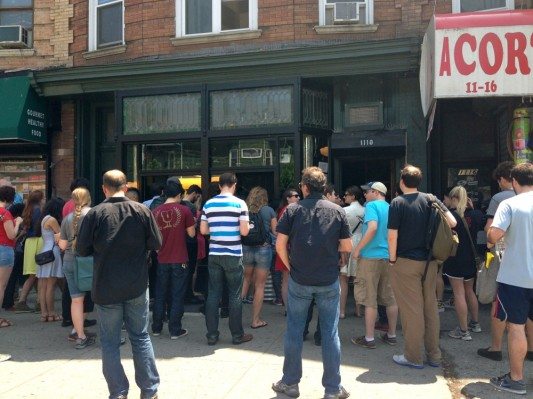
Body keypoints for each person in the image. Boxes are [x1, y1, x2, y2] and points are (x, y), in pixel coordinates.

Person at [77, 170, 162, 399]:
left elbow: (81, 249)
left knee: (110, 342)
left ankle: (118, 392)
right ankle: (149, 389)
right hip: (136, 283)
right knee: (140, 337)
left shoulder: (94, 214)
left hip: (106, 286)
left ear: (104, 189)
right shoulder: (142, 210)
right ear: (125, 188)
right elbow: (156, 243)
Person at [273, 167, 352, 399]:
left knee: (294, 332)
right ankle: (332, 388)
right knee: (330, 334)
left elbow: (279, 245)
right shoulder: (338, 210)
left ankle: (290, 383)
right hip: (328, 279)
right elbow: (347, 247)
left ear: (304, 187)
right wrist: (336, 259)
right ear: (324, 188)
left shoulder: (292, 210)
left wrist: (290, 267)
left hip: (300, 279)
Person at [387, 165, 456, 368]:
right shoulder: (431, 199)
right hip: (430, 262)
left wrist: (392, 260)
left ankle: (413, 356)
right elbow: (452, 222)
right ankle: (434, 355)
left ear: (401, 182)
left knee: (411, 310)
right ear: (419, 182)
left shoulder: (397, 203)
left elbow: (393, 235)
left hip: (406, 261)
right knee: (430, 308)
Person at [487, 162, 533, 395]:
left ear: (514, 181)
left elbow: (494, 234)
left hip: (516, 276)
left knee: (516, 327)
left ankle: (516, 379)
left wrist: (493, 233)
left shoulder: (509, 204)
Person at [200, 172, 253, 346]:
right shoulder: (240, 203)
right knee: (234, 295)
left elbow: (203, 230)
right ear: (234, 184)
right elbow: (244, 232)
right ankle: (237, 335)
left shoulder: (209, 203)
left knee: (213, 294)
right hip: (233, 254)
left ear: (219, 185)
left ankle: (212, 335)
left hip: (215, 252)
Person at [351, 182, 398, 349]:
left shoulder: (371, 206)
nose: (365, 195)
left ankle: (369, 338)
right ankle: (391, 335)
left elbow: (372, 228)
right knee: (390, 298)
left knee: (370, 298)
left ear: (376, 192)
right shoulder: (391, 207)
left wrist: (357, 249)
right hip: (388, 257)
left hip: (370, 257)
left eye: (367, 192)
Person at [478, 161, 516, 361]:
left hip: (503, 255)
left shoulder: (499, 198)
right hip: (526, 259)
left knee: (499, 302)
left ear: (502, 179)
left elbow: (490, 230)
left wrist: (490, 243)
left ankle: (495, 348)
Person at [151, 179, 195, 339]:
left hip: (162, 258)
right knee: (177, 294)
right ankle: (175, 330)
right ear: (180, 194)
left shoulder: (155, 211)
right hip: (180, 258)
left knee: (160, 293)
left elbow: (152, 238)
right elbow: (191, 234)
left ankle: (156, 327)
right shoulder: (184, 210)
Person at [58, 188, 97, 348]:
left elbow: (62, 245)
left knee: (76, 300)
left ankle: (80, 335)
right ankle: (110, 335)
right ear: (89, 198)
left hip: (69, 261)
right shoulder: (94, 215)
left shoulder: (67, 218)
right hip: (90, 262)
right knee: (100, 298)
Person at [442, 186, 480, 341]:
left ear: (453, 198)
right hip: (471, 258)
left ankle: (463, 331)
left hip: (456, 258)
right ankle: (475, 323)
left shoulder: (451, 216)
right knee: (469, 291)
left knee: (459, 294)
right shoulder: (475, 214)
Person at [241, 186, 277, 329]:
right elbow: (275, 231)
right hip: (263, 248)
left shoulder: (244, 210)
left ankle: (236, 317)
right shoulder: (269, 210)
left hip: (247, 248)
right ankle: (255, 320)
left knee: (245, 280)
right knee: (260, 285)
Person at [14, 190, 44, 313]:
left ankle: (38, 301)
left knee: (34, 274)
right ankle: (24, 301)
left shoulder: (28, 209)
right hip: (37, 241)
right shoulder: (38, 210)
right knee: (36, 275)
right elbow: (38, 228)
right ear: (40, 199)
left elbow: (26, 228)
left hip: (30, 243)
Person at [35, 198, 64, 322]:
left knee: (42, 285)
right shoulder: (52, 220)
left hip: (44, 252)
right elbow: (60, 236)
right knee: (51, 285)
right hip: (53, 252)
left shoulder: (44, 219)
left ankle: (44, 314)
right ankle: (52, 313)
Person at [0, 186, 23, 328]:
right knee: (1, 286)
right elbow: (11, 235)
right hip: (4, 250)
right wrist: (18, 223)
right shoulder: (5, 213)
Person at [341, 185, 365, 319]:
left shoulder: (344, 210)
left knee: (343, 279)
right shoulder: (366, 210)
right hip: (361, 242)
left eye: (346, 194)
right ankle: (358, 310)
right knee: (358, 279)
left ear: (353, 196)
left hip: (347, 242)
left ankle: (342, 311)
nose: (344, 196)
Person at [274, 188, 300, 308]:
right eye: (295, 196)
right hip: (287, 247)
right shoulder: (288, 210)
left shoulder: (285, 210)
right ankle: (289, 307)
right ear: (288, 198)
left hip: (286, 247)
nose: (298, 197)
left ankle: (288, 307)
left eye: (298, 195)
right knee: (287, 278)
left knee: (286, 278)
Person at [181, 184, 204, 305]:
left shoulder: (178, 204)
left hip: (180, 242)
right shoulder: (190, 207)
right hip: (190, 242)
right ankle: (189, 295)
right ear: (195, 194)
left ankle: (182, 294)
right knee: (190, 270)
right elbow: (194, 228)